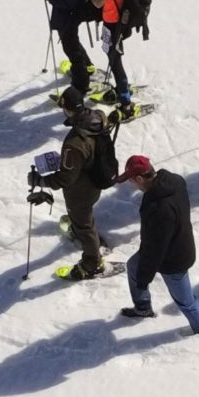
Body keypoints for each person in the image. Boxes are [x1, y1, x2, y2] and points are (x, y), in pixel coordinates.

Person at [116, 156, 199, 333]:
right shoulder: (174, 180)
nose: (131, 185)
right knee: (133, 266)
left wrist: (144, 279)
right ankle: (143, 307)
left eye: (130, 180)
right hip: (172, 243)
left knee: (186, 301)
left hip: (174, 259)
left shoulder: (159, 209)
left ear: (139, 179)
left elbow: (155, 250)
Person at [56, 100, 116, 279]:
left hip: (80, 190)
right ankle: (82, 231)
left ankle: (92, 264)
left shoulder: (75, 142)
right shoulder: (98, 118)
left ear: (68, 110)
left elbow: (66, 178)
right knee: (84, 216)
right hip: (95, 181)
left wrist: (41, 180)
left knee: (85, 224)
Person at [41, 0, 100, 105]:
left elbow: (69, 1)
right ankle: (87, 67)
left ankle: (80, 86)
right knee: (71, 41)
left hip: (69, 14)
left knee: (71, 50)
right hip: (71, 14)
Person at [91, 0, 143, 116]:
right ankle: (123, 89)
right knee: (114, 53)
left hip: (113, 22)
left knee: (114, 58)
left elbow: (98, 2)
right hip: (126, 20)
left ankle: (125, 101)